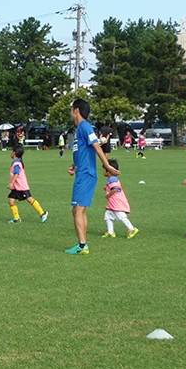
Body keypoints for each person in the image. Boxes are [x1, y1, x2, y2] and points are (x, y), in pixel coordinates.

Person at [66, 99, 119, 255]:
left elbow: (96, 145)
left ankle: (82, 245)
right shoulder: (80, 129)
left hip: (86, 174)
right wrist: (74, 165)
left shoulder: (85, 127)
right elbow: (83, 151)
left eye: (71, 109)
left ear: (76, 110)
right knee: (78, 210)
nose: (70, 113)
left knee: (78, 209)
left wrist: (107, 165)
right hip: (82, 171)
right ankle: (82, 243)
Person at [6, 144, 48, 224]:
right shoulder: (16, 162)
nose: (11, 153)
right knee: (11, 201)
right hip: (16, 187)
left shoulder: (17, 164)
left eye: (12, 151)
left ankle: (43, 213)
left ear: (14, 153)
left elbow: (16, 174)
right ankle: (17, 219)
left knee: (29, 199)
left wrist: (11, 183)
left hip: (21, 187)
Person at [101, 159, 139, 239]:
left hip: (116, 202)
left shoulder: (112, 179)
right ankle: (110, 232)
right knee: (108, 215)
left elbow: (115, 189)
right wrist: (107, 189)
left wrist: (108, 195)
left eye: (104, 169)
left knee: (120, 215)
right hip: (112, 204)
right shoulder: (112, 179)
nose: (103, 172)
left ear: (109, 171)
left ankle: (132, 229)